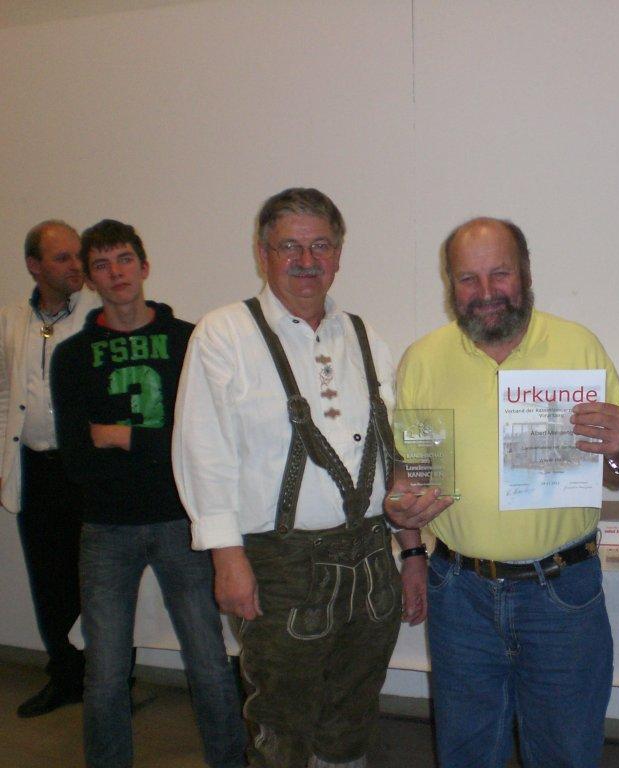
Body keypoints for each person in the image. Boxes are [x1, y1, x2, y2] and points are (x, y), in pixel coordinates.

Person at [172, 188, 425, 768]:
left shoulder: (366, 336)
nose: (306, 261)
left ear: (338, 255)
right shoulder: (223, 333)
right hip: (280, 567)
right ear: (263, 253)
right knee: (281, 728)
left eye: (320, 246)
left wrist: (412, 553)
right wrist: (226, 559)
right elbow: (204, 452)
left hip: (372, 560)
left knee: (354, 719)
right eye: (290, 247)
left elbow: (395, 456)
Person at [386, 217, 619, 768]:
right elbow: (414, 475)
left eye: (499, 274)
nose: (485, 293)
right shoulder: (423, 359)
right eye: (467, 279)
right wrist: (407, 534)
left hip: (562, 593)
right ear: (450, 284)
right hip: (459, 593)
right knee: (467, 753)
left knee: (567, 753)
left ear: (525, 273)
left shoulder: (579, 347)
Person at [50, 219, 246, 768]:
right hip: (105, 527)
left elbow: (206, 438)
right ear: (90, 278)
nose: (116, 273)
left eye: (124, 260)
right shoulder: (73, 356)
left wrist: (122, 435)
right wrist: (162, 443)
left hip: (181, 520)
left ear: (144, 266)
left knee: (209, 661)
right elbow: (76, 458)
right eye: (102, 264)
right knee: (105, 671)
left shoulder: (188, 340)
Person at [1, 220, 99, 717]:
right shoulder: (11, 320)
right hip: (35, 470)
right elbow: (5, 394)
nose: (76, 265)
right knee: (50, 581)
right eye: (62, 258)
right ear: (34, 266)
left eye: (78, 255)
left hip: (88, 472)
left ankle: (108, 684)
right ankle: (64, 678)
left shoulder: (97, 315)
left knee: (100, 583)